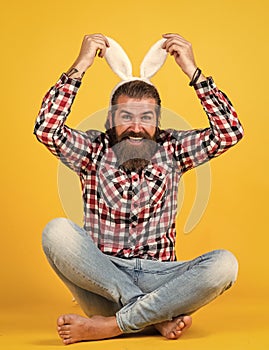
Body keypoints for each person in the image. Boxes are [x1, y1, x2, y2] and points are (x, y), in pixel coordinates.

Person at [34, 33, 244, 344]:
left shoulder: (172, 148)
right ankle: (151, 317)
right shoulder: (92, 149)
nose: (136, 126)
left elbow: (230, 132)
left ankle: (111, 326)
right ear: (110, 119)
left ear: (158, 122)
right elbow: (46, 128)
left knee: (225, 265)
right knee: (56, 232)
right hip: (103, 281)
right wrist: (81, 65)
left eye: (146, 117)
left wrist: (193, 71)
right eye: (126, 116)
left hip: (162, 279)